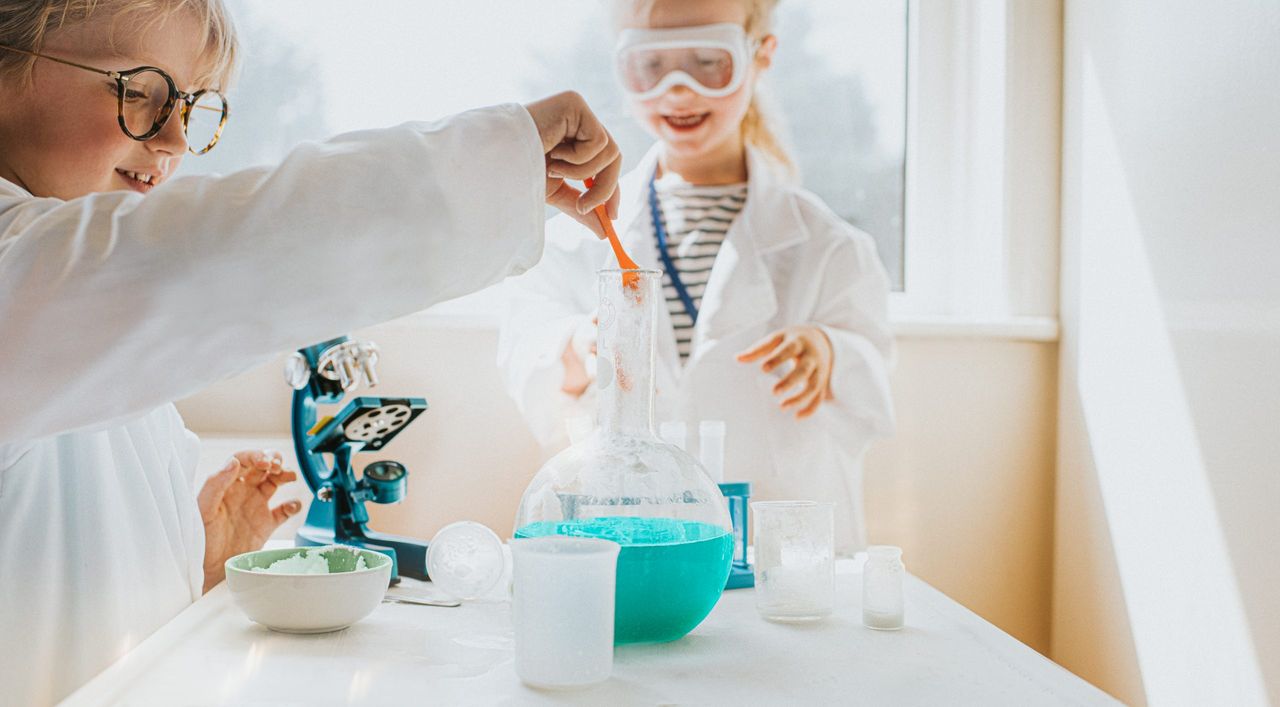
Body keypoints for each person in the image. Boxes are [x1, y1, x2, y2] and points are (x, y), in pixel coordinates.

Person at [0, 1, 622, 702]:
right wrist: (496, 165)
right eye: (137, 92)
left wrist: (194, 567)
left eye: (190, 105)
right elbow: (210, 255)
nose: (173, 138)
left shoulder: (80, 314)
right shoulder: (28, 276)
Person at [498, 0, 894, 556]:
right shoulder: (568, 243)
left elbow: (873, 383)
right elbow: (525, 356)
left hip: (776, 544)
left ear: (761, 55)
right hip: (629, 536)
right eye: (652, 65)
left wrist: (831, 352)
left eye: (710, 61)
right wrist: (575, 348)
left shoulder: (831, 248)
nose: (678, 90)